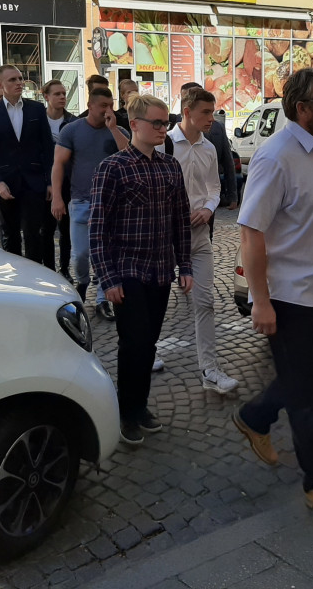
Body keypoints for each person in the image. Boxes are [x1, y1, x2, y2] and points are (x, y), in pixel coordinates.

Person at [233, 68, 313, 528]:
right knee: (307, 395)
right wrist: (260, 301)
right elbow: (250, 232)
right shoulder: (276, 157)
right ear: (302, 109)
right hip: (287, 297)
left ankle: (255, 416)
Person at [89, 94, 193, 445]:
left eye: (166, 123)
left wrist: (186, 266)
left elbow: (181, 220)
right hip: (128, 270)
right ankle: (126, 411)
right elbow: (98, 227)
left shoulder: (170, 167)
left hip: (161, 271)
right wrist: (107, 279)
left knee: (148, 345)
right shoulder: (113, 168)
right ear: (135, 125)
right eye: (157, 123)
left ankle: (140, 406)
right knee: (132, 343)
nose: (164, 129)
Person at [168, 88, 238, 393]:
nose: (212, 118)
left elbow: (213, 187)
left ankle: (210, 369)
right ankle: (148, 352)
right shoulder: (165, 144)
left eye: (213, 112)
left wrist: (209, 209)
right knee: (153, 301)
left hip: (198, 236)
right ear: (187, 112)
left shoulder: (209, 148)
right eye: (206, 112)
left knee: (205, 301)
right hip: (165, 236)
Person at [51, 87, 130, 320]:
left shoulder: (118, 130)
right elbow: (58, 164)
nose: (108, 109)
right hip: (81, 201)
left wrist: (113, 128)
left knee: (107, 254)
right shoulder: (72, 130)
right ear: (91, 105)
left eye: (111, 105)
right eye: (103, 105)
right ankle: (83, 282)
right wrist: (57, 196)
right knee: (81, 254)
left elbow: (130, 156)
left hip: (112, 204)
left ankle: (103, 299)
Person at [0, 65, 54, 262]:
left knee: (33, 234)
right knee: (9, 234)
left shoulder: (36, 109)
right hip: (6, 183)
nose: (19, 82)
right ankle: (17, 280)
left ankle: (36, 279)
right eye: (12, 79)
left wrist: (49, 181)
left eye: (20, 78)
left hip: (34, 181)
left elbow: (47, 148)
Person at [180, 82, 238, 211]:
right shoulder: (166, 141)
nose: (210, 119)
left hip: (205, 212)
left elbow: (228, 161)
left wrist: (232, 196)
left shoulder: (213, 137)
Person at [42, 79, 74, 276]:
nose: (62, 97)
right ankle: (49, 271)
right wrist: (47, 182)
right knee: (46, 231)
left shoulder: (73, 121)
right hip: (45, 185)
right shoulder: (38, 122)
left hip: (68, 183)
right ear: (46, 97)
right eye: (57, 94)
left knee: (66, 231)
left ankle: (64, 269)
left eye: (64, 93)